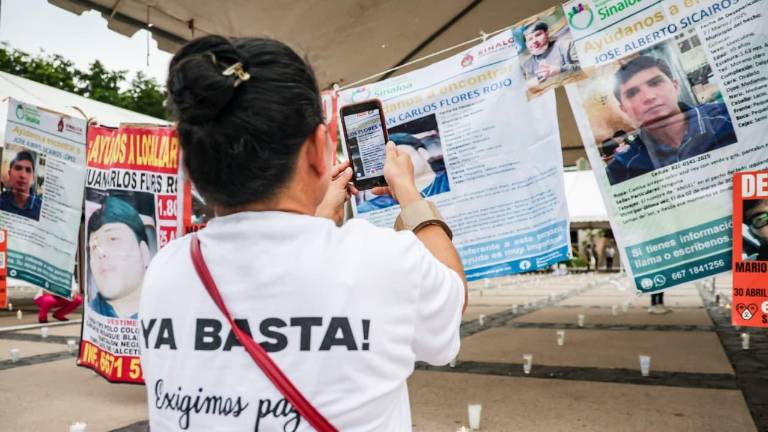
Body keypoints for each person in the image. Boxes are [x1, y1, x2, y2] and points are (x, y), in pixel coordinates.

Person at [139, 35, 466, 431]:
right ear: (317, 149)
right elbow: (451, 304)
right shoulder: (381, 259)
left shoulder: (164, 270)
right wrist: (409, 194)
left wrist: (319, 217)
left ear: (190, 166)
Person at [606, 55, 737, 184]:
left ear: (675, 86)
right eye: (632, 93)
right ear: (624, 109)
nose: (649, 97)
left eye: (655, 83)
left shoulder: (729, 117)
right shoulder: (623, 168)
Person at [87, 196, 150, 319]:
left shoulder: (167, 308)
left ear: (144, 252)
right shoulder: (92, 314)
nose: (100, 252)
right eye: (94, 247)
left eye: (113, 239)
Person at [357, 132, 450, 213]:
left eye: (398, 157)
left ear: (423, 153)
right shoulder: (372, 207)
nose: (391, 167)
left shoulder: (448, 180)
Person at [520, 20, 579, 85]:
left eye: (538, 35)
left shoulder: (566, 45)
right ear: (526, 44)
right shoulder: (527, 65)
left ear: (547, 34)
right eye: (530, 39)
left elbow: (583, 66)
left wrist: (560, 70)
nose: (534, 41)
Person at [0, 150, 43, 220]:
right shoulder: (1, 201)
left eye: (28, 170)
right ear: (9, 173)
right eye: (18, 168)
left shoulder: (41, 209)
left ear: (33, 177)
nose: (23, 175)